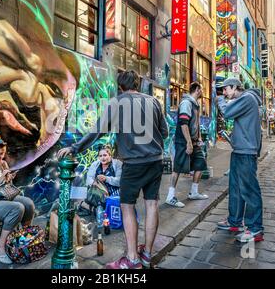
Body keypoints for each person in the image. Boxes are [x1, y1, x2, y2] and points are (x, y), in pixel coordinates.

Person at [58, 70, 168, 269]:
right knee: (152, 205)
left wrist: (74, 148)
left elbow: (97, 130)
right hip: (156, 161)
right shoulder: (153, 101)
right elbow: (165, 132)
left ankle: (132, 259)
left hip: (133, 164)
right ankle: (147, 255)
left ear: (120, 87)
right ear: (139, 83)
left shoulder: (117, 102)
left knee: (127, 206)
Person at [215, 78, 264, 243]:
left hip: (245, 152)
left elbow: (227, 113)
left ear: (235, 87)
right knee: (235, 188)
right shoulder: (246, 99)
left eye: (225, 89)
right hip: (240, 151)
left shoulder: (247, 98)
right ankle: (234, 221)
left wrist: (219, 100)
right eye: (222, 91)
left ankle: (255, 229)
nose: (224, 93)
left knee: (249, 191)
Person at [166, 82, 208, 208]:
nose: (202, 92)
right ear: (197, 89)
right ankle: (170, 196)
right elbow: (184, 123)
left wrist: (199, 138)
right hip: (183, 141)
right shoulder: (186, 103)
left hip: (195, 142)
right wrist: (189, 143)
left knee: (200, 164)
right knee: (178, 168)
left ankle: (194, 192)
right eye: (201, 89)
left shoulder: (196, 104)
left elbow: (196, 122)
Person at [81, 144, 122, 212]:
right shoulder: (95, 164)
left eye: (105, 155)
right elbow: (89, 179)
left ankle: (94, 209)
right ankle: (95, 208)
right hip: (99, 193)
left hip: (113, 193)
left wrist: (106, 178)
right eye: (100, 156)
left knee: (110, 210)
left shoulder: (117, 164)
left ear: (110, 155)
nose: (103, 158)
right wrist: (95, 183)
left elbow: (120, 181)